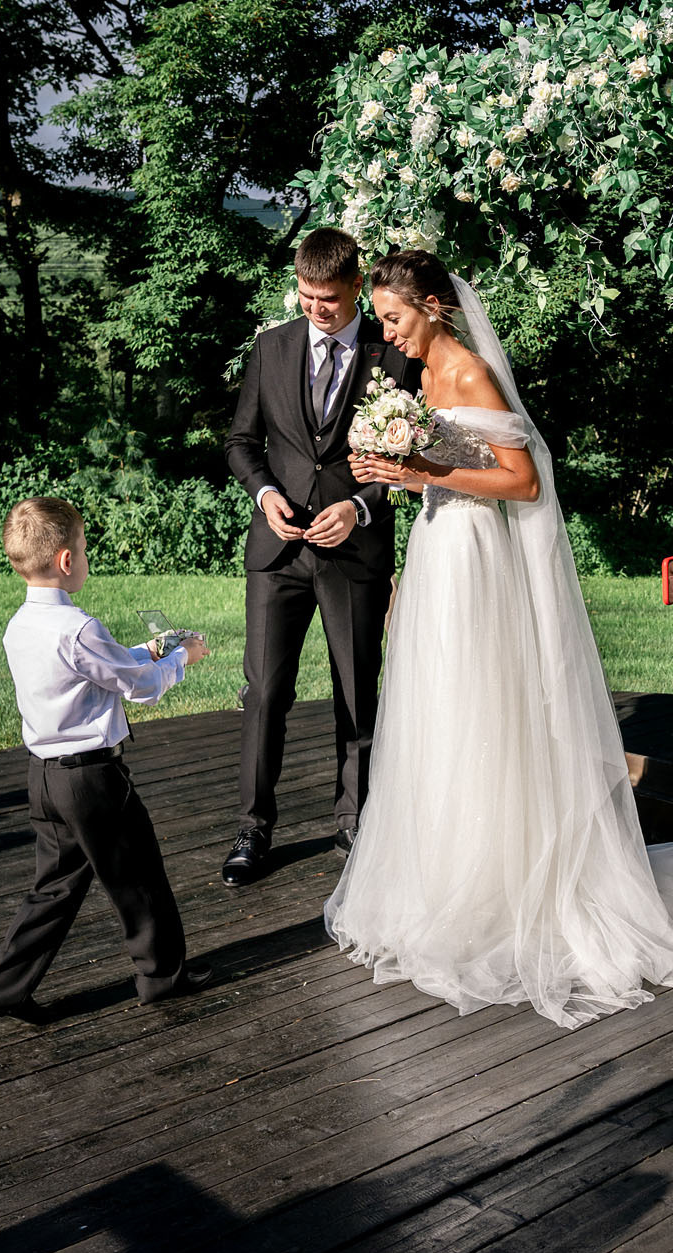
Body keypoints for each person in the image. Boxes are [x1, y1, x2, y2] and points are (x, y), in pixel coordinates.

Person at [327, 250, 673, 1029]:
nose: (387, 332)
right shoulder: (419, 378)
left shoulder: (472, 375)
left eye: (392, 317)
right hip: (441, 548)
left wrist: (422, 474)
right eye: (382, 320)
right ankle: (452, 873)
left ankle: (508, 881)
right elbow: (442, 462)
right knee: (444, 710)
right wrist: (391, 468)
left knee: (484, 705)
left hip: (478, 555)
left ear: (432, 307)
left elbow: (524, 482)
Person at [221, 228, 423, 886]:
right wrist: (266, 494)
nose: (315, 309)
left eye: (328, 300)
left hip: (353, 551)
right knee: (264, 693)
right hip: (277, 554)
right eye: (306, 297)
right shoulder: (270, 348)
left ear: (356, 287)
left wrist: (360, 507)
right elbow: (241, 444)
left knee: (357, 693)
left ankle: (356, 818)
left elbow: (410, 459)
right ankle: (253, 827)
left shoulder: (390, 356)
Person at [0, 497, 213, 1020]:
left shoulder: (21, 625)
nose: (85, 558)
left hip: (43, 777)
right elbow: (140, 688)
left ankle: (3, 987)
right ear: (64, 560)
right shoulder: (78, 627)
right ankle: (162, 977)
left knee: (53, 889)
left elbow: (94, 668)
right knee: (138, 876)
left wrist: (140, 651)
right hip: (93, 779)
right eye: (82, 550)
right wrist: (179, 658)